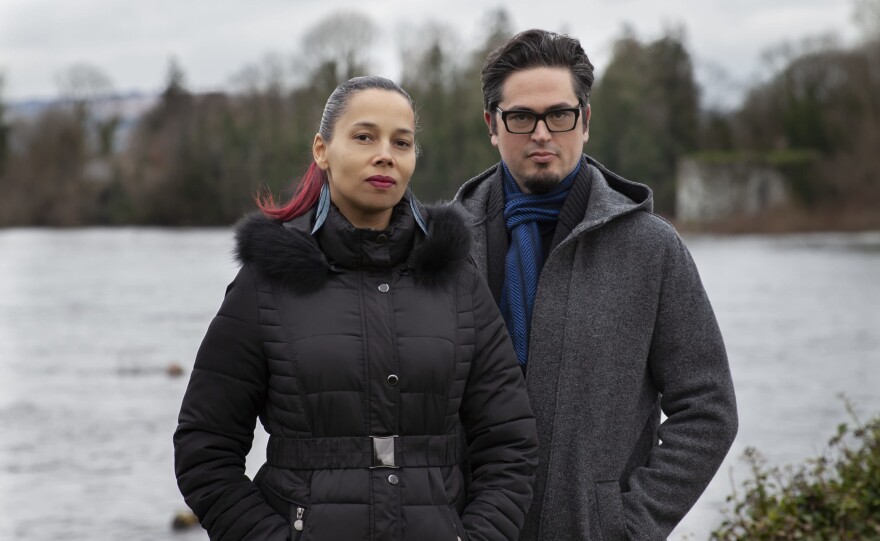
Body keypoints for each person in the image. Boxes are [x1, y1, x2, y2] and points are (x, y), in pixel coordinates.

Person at [174, 76, 538, 541]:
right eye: (364, 137)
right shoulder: (266, 283)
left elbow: (510, 444)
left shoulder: (455, 279)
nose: (385, 153)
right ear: (322, 150)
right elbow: (204, 451)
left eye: (401, 142)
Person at [454, 30, 738, 540]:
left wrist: (625, 525)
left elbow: (708, 410)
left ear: (585, 120)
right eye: (520, 117)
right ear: (492, 125)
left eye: (559, 114)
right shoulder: (441, 246)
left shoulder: (651, 249)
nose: (541, 133)